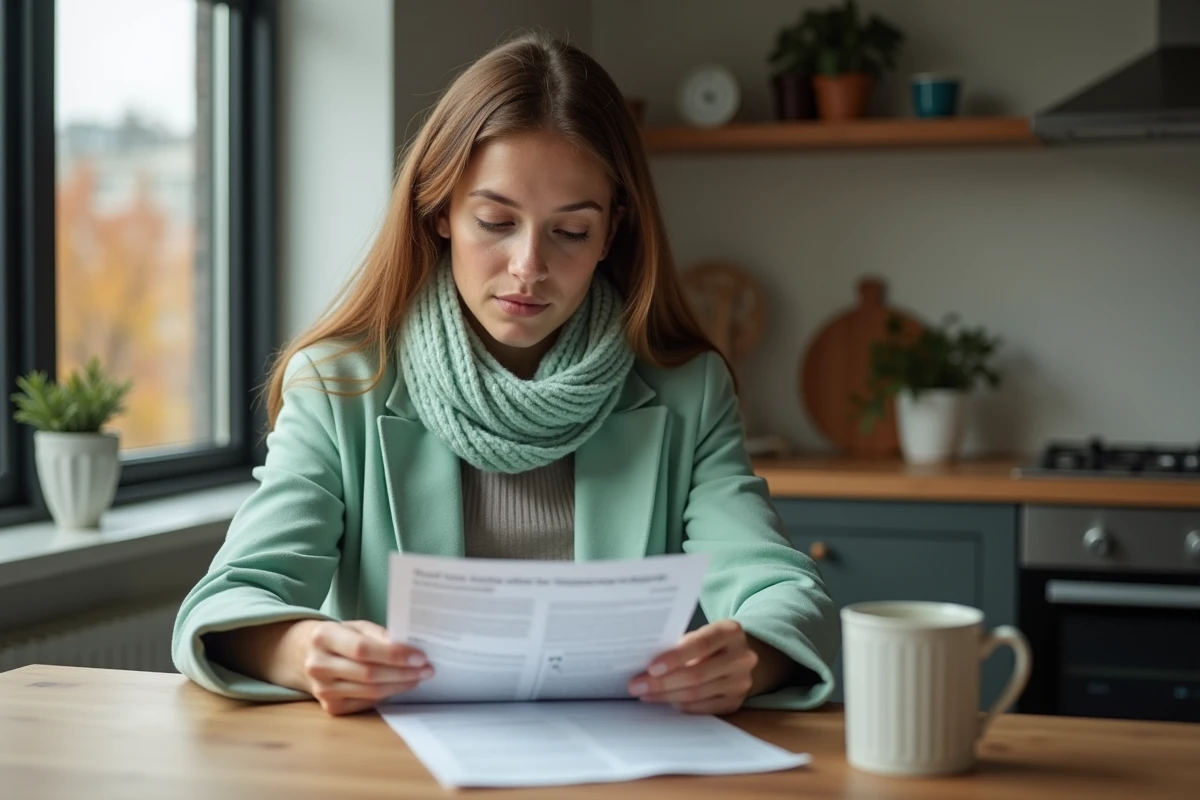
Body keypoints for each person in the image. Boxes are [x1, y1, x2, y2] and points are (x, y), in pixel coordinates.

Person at [172, 32, 838, 717]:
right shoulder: (340, 386)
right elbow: (231, 600)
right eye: (495, 221)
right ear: (440, 214)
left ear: (613, 233)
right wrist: (305, 650)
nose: (528, 266)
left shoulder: (687, 389)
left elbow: (780, 590)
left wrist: (747, 658)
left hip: (623, 769)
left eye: (570, 232)